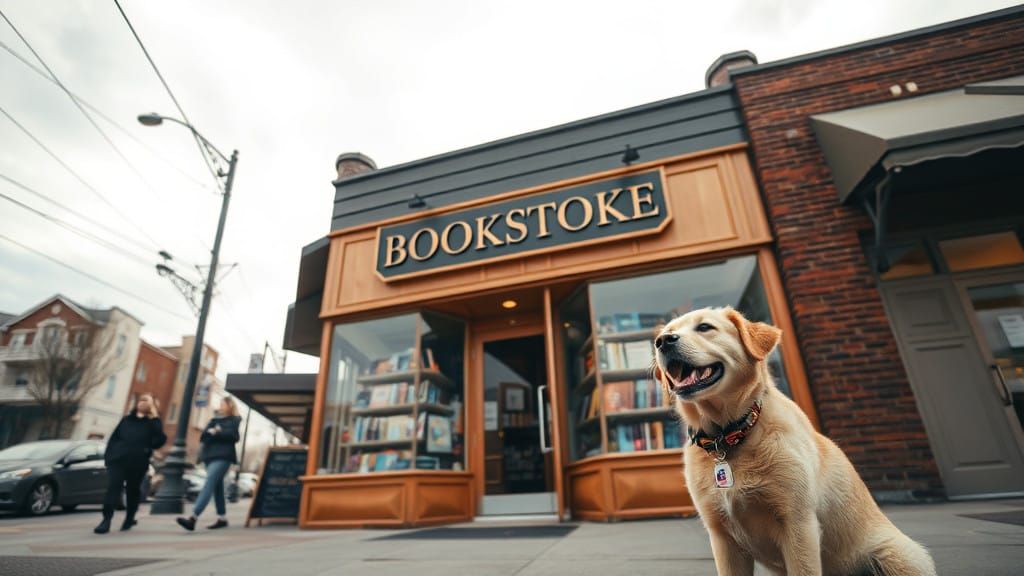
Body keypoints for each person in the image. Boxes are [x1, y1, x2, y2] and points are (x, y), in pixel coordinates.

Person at [95, 393, 167, 534]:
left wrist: (155, 419)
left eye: (146, 401)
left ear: (151, 405)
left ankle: (129, 518)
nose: (142, 402)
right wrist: (109, 458)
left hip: (138, 462)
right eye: (141, 400)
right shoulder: (126, 420)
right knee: (113, 487)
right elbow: (114, 439)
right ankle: (106, 520)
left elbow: (159, 441)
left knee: (132, 490)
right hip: (118, 460)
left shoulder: (153, 422)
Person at [176, 396, 241, 531]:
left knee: (209, 483)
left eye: (223, 404)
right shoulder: (213, 420)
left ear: (230, 406)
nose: (221, 406)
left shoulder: (234, 420)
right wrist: (214, 432)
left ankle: (193, 518)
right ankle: (222, 519)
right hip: (209, 457)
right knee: (217, 488)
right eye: (220, 404)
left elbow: (234, 436)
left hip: (223, 457)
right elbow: (204, 437)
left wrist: (217, 432)